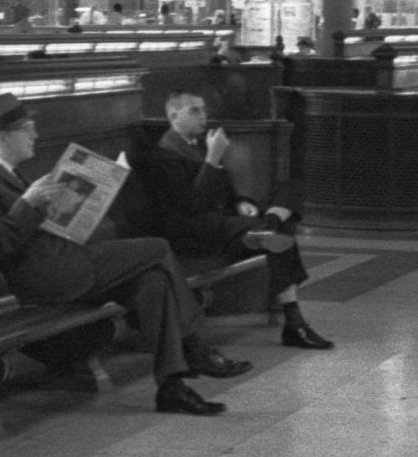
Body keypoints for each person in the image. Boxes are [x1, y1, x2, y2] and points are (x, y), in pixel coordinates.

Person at [0, 93, 249, 415]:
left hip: (65, 264)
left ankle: (172, 387)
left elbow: (32, 228)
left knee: (152, 282)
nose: (35, 135)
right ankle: (196, 347)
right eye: (28, 129)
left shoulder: (8, 174)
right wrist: (29, 204)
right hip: (45, 277)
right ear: (6, 135)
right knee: (158, 247)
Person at [130, 92, 332, 350]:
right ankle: (295, 323)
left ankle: (268, 224)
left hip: (223, 223)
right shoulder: (162, 156)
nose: (203, 116)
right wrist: (212, 160)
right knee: (280, 235)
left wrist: (241, 201)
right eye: (194, 111)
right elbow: (191, 207)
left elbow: (226, 190)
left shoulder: (201, 146)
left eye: (204, 109)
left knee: (293, 188)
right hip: (195, 232)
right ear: (173, 116)